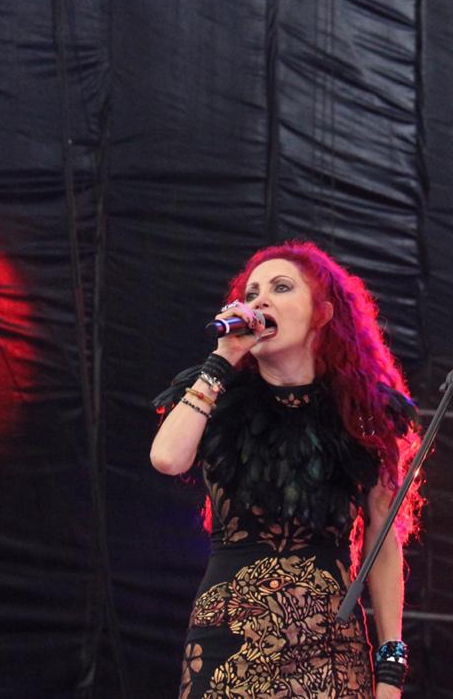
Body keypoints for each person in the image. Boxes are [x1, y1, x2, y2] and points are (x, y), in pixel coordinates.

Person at [151, 241, 420, 698]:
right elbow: (168, 458)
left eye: (281, 288)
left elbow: (382, 538)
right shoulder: (217, 393)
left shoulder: (363, 414)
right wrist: (221, 360)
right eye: (251, 293)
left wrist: (391, 666)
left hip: (330, 646)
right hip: (229, 639)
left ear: (322, 314)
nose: (260, 302)